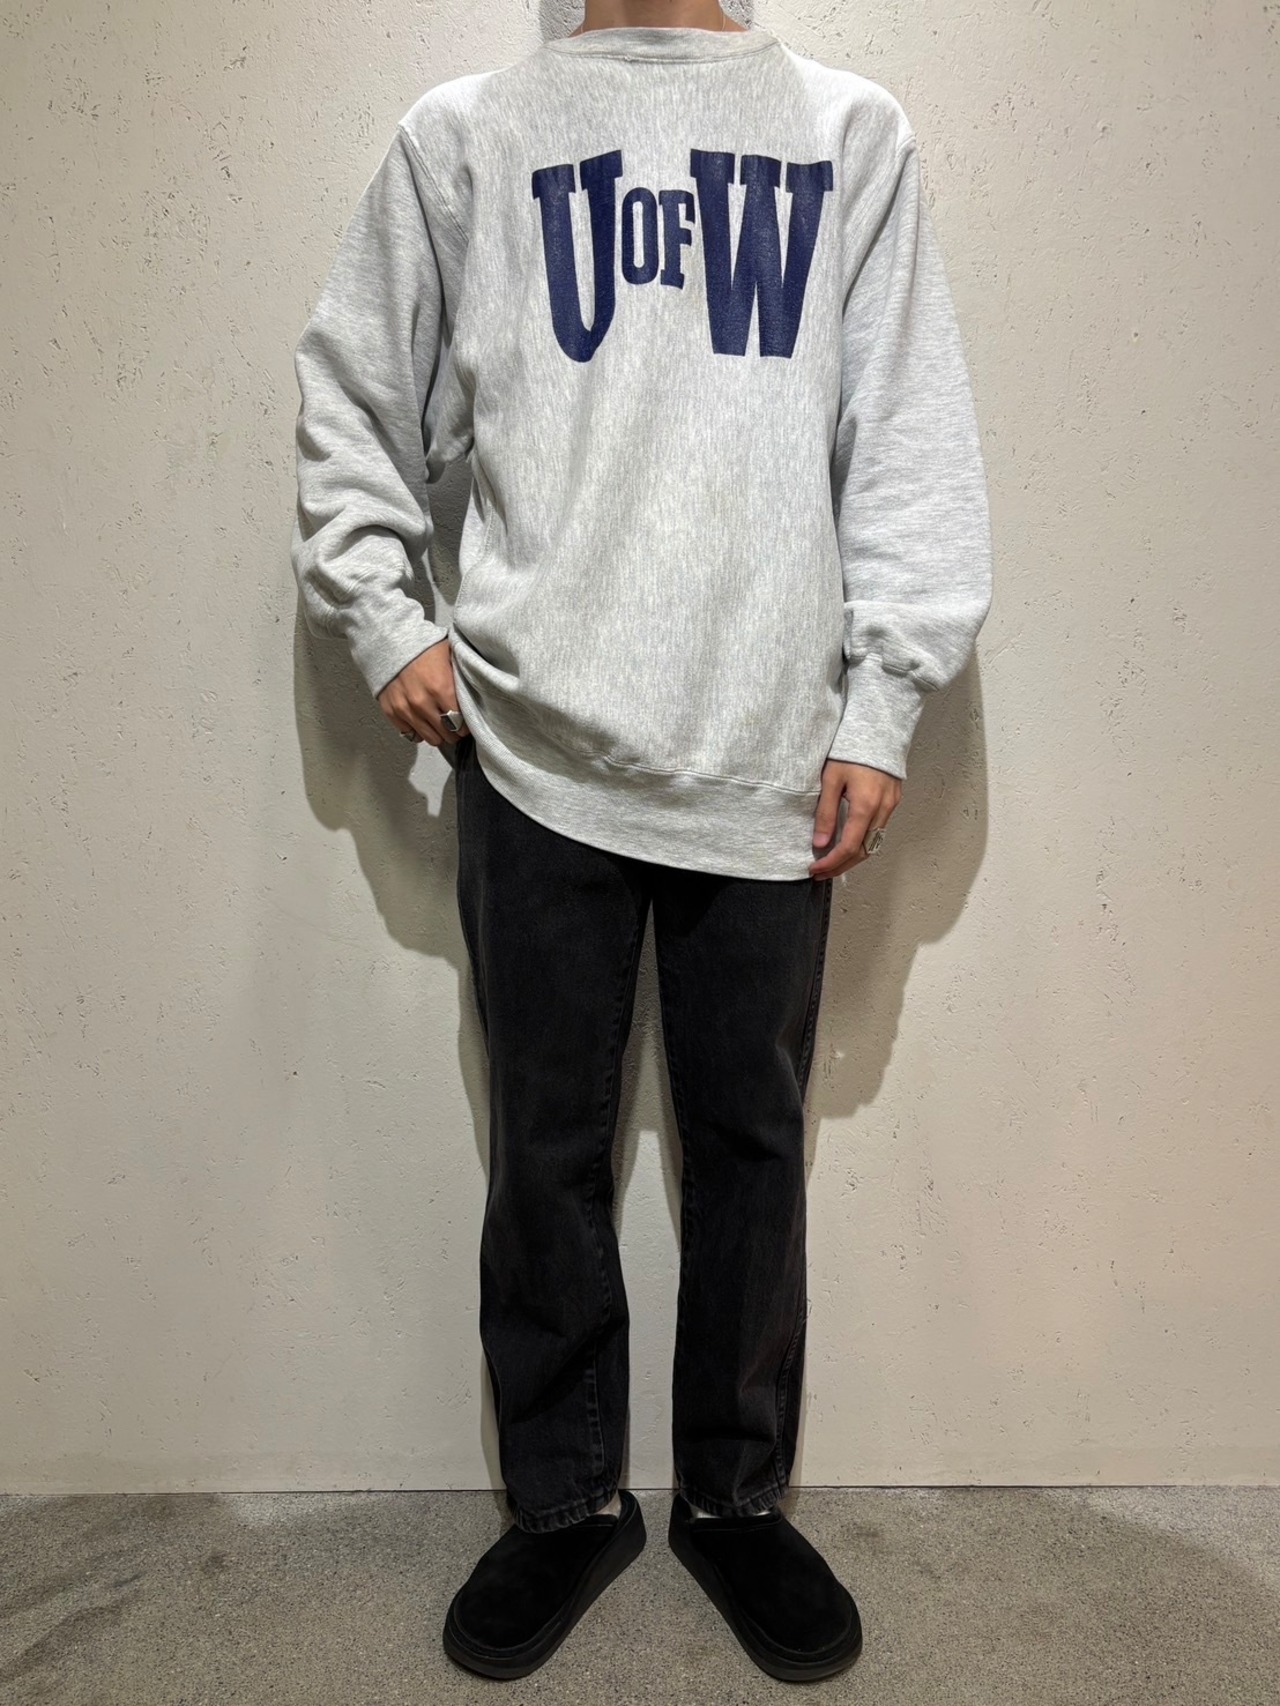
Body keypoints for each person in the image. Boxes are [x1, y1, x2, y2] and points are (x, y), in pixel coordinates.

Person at [290, 0, 992, 1684]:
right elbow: (353, 393)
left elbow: (908, 432)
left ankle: (736, 1502)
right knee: (545, 1148)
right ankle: (563, 1503)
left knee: (754, 1146)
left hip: (769, 753)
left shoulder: (847, 134)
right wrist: (385, 618)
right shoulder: (464, 138)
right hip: (532, 750)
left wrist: (884, 699)